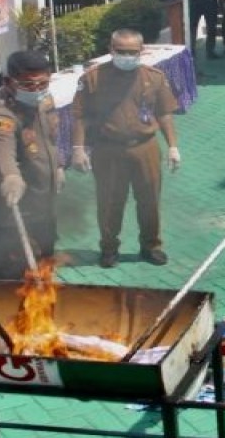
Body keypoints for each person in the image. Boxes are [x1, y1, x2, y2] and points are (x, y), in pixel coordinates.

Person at [70, 30, 181, 267]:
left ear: (142, 51)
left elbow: (164, 113)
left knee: (150, 200)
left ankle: (151, 246)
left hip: (145, 148)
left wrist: (173, 146)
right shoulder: (93, 78)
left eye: (132, 52)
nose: (127, 57)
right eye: (121, 52)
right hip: (108, 149)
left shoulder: (154, 77)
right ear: (111, 50)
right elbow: (80, 116)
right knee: (110, 201)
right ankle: (109, 248)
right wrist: (78, 149)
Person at [0, 50, 63, 280]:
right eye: (29, 85)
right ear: (8, 83)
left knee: (42, 272)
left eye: (43, 83)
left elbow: (50, 138)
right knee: (9, 280)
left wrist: (58, 166)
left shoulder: (44, 100)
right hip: (7, 214)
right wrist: (10, 176)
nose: (38, 90)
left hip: (41, 206)